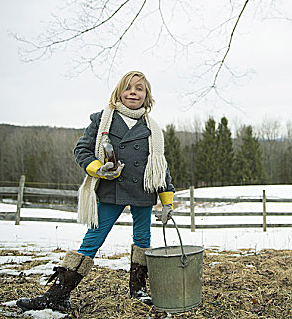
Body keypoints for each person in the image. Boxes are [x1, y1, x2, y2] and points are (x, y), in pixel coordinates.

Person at [16, 71, 175, 312]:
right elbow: (81, 150)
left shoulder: (153, 129)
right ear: (119, 92)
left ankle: (139, 290)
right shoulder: (103, 120)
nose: (133, 92)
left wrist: (167, 201)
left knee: (143, 241)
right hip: (110, 190)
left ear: (147, 96)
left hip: (143, 193)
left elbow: (160, 167)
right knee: (92, 240)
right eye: (128, 88)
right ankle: (58, 294)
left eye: (139, 89)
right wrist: (99, 170)